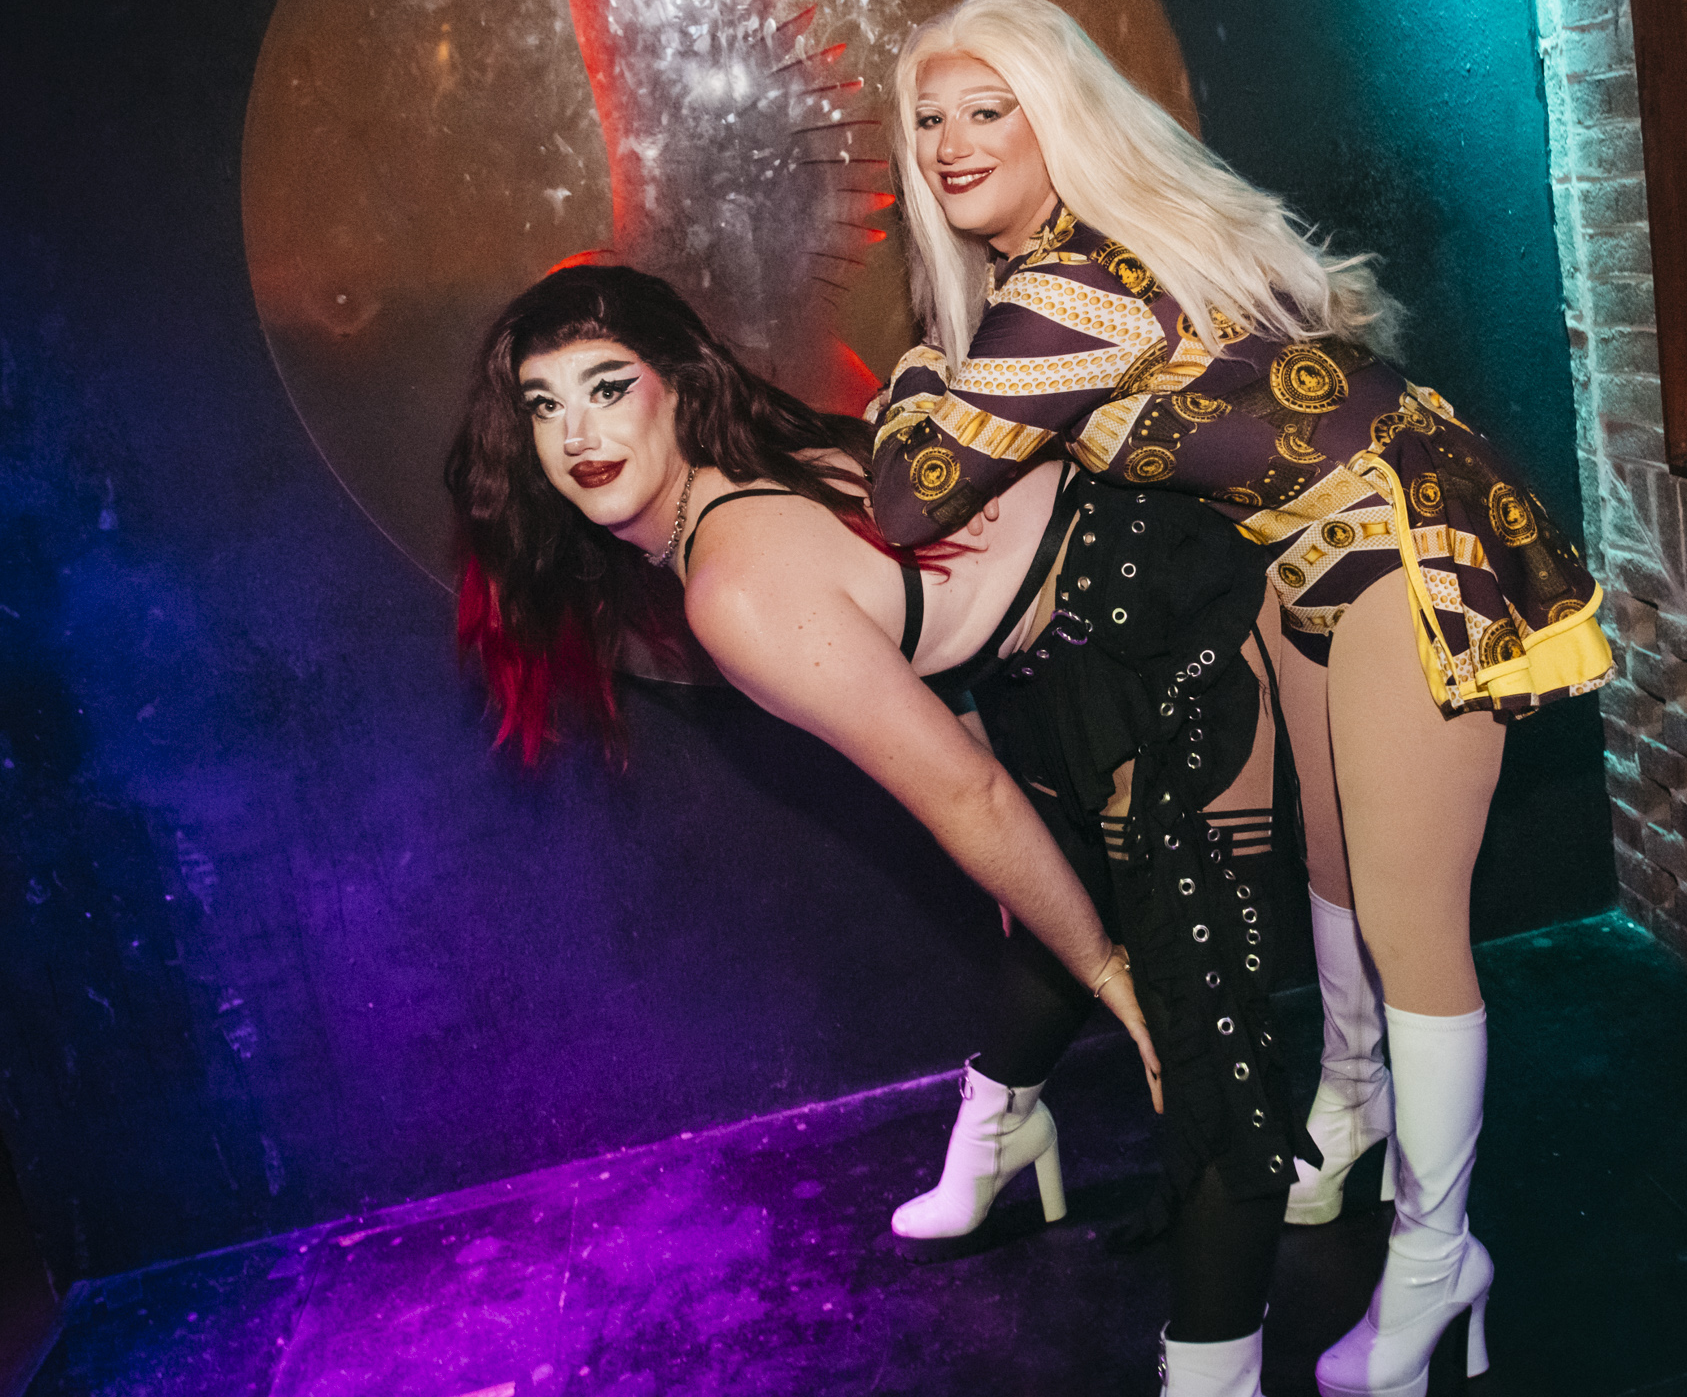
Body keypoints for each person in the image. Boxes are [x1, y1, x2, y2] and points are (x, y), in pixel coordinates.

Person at [867, 0, 1615, 1397]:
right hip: (1307, 560)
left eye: (989, 109)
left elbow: (912, 496)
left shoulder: (1072, 288)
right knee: (1331, 866)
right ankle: (1351, 1105)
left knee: (1409, 923)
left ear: (1057, 121)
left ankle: (1437, 1262)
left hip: (1406, 543)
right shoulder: (1080, 262)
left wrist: (918, 369)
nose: (953, 142)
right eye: (929, 119)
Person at [443, 263, 1312, 1393]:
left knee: (1190, 1026)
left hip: (1167, 608)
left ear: (677, 386)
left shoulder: (733, 592)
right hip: (1075, 638)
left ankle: (1220, 1360)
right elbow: (943, 659)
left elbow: (966, 793)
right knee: (1044, 899)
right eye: (545, 405)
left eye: (608, 387)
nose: (578, 435)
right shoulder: (752, 463)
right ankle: (1005, 1133)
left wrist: (1114, 977)